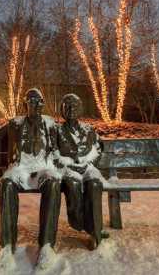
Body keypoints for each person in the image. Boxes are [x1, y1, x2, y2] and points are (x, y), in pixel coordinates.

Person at [0, 88, 62, 264]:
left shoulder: (50, 124)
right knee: (7, 183)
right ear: (25, 104)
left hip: (43, 169)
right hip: (20, 169)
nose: (37, 104)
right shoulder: (15, 124)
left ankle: (47, 245)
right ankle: (7, 246)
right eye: (32, 101)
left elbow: (59, 148)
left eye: (40, 101)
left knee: (53, 183)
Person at [56, 93, 107, 248]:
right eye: (68, 106)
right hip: (68, 169)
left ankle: (95, 233)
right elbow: (52, 152)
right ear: (62, 110)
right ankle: (79, 222)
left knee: (95, 184)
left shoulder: (89, 129)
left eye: (75, 106)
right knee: (73, 183)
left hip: (88, 167)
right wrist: (67, 164)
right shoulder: (56, 130)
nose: (72, 109)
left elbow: (98, 150)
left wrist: (89, 163)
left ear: (81, 109)